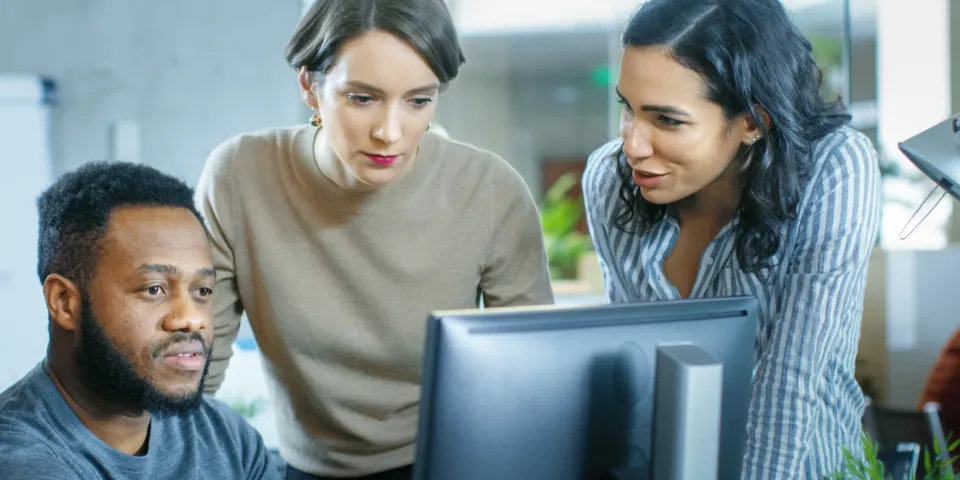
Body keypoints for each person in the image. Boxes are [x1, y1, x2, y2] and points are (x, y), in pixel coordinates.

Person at [194, 0, 554, 478]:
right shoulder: (239, 174)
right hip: (305, 468)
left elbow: (528, 381)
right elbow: (196, 363)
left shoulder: (489, 190)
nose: (390, 133)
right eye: (362, 98)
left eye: (419, 101)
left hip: (452, 462)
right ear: (309, 85)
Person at [581, 0, 882, 478]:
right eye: (628, 108)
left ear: (751, 121)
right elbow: (632, 370)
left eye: (667, 120)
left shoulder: (835, 169)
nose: (633, 145)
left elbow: (789, 381)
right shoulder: (610, 179)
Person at [0, 162, 281, 479]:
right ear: (64, 302)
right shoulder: (18, 458)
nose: (191, 319)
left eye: (202, 290)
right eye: (154, 289)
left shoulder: (227, 437)